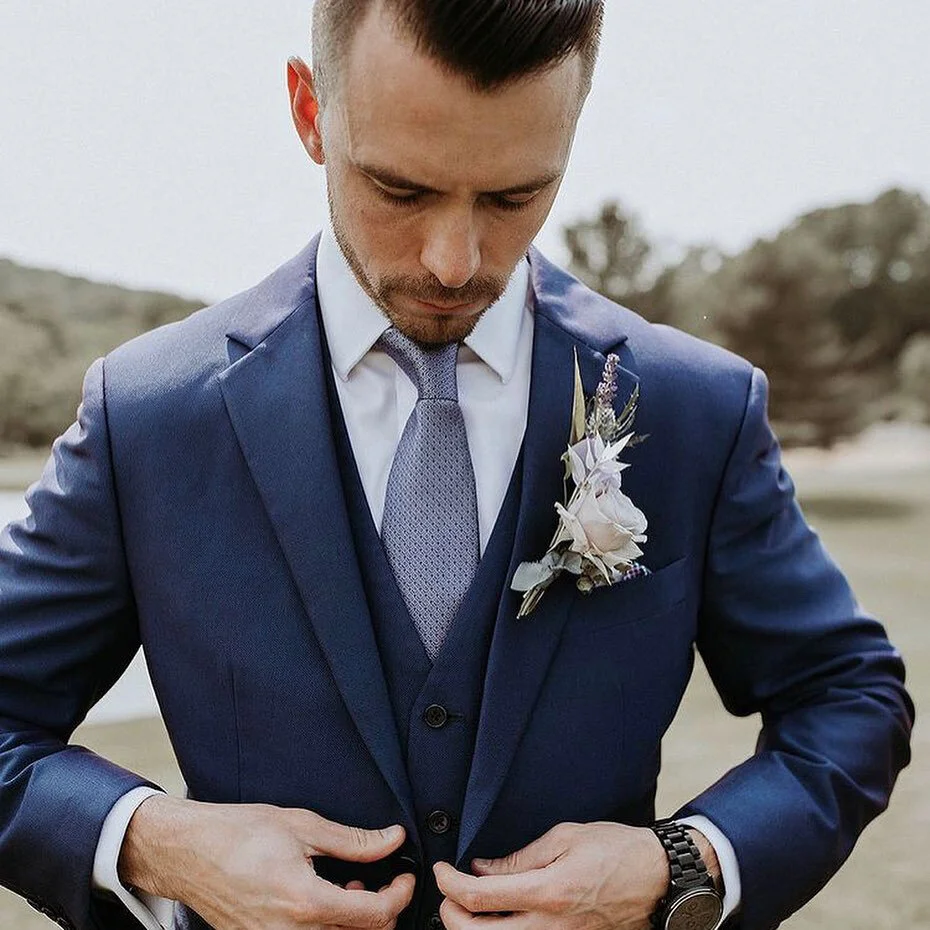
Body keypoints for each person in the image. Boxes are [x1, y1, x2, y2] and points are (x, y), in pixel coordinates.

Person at [0, 2, 913, 930]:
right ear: (310, 112)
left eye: (514, 197)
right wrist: (163, 845)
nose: (453, 261)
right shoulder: (147, 416)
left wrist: (679, 865)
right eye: (399, 190)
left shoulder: (695, 409)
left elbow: (851, 698)